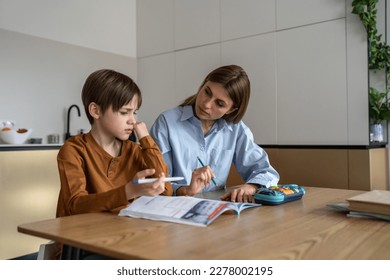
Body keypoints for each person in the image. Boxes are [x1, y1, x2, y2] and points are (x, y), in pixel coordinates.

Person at [150, 65, 279, 203]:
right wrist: (185, 190)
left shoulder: (236, 130)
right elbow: (156, 181)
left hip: (217, 213)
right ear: (203, 85)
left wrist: (251, 187)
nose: (206, 104)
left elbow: (266, 172)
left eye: (219, 103)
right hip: (171, 210)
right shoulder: (166, 123)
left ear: (231, 110)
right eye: (207, 92)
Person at [56, 69, 172, 218]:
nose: (132, 120)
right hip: (78, 235)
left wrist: (146, 140)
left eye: (134, 112)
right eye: (124, 112)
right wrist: (129, 191)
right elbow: (75, 205)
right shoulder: (73, 150)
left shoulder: (134, 150)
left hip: (119, 233)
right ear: (95, 111)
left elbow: (165, 191)